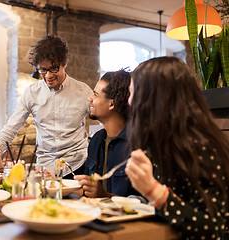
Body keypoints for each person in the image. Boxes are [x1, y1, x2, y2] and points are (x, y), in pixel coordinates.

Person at [125, 56, 229, 239]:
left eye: (134, 93)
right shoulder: (161, 143)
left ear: (155, 99)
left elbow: (214, 228)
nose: (130, 102)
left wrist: (153, 191)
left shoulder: (202, 147)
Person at [0, 35, 93, 177]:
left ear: (65, 63)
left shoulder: (83, 91)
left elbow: (106, 120)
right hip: (46, 168)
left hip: (78, 164)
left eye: (54, 69)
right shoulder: (31, 93)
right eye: (43, 70)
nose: (48, 76)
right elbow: (9, 130)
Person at [74, 70, 137, 198]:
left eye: (96, 95)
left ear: (111, 104)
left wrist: (104, 195)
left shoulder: (136, 145)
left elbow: (144, 203)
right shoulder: (96, 140)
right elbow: (86, 189)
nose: (90, 98)